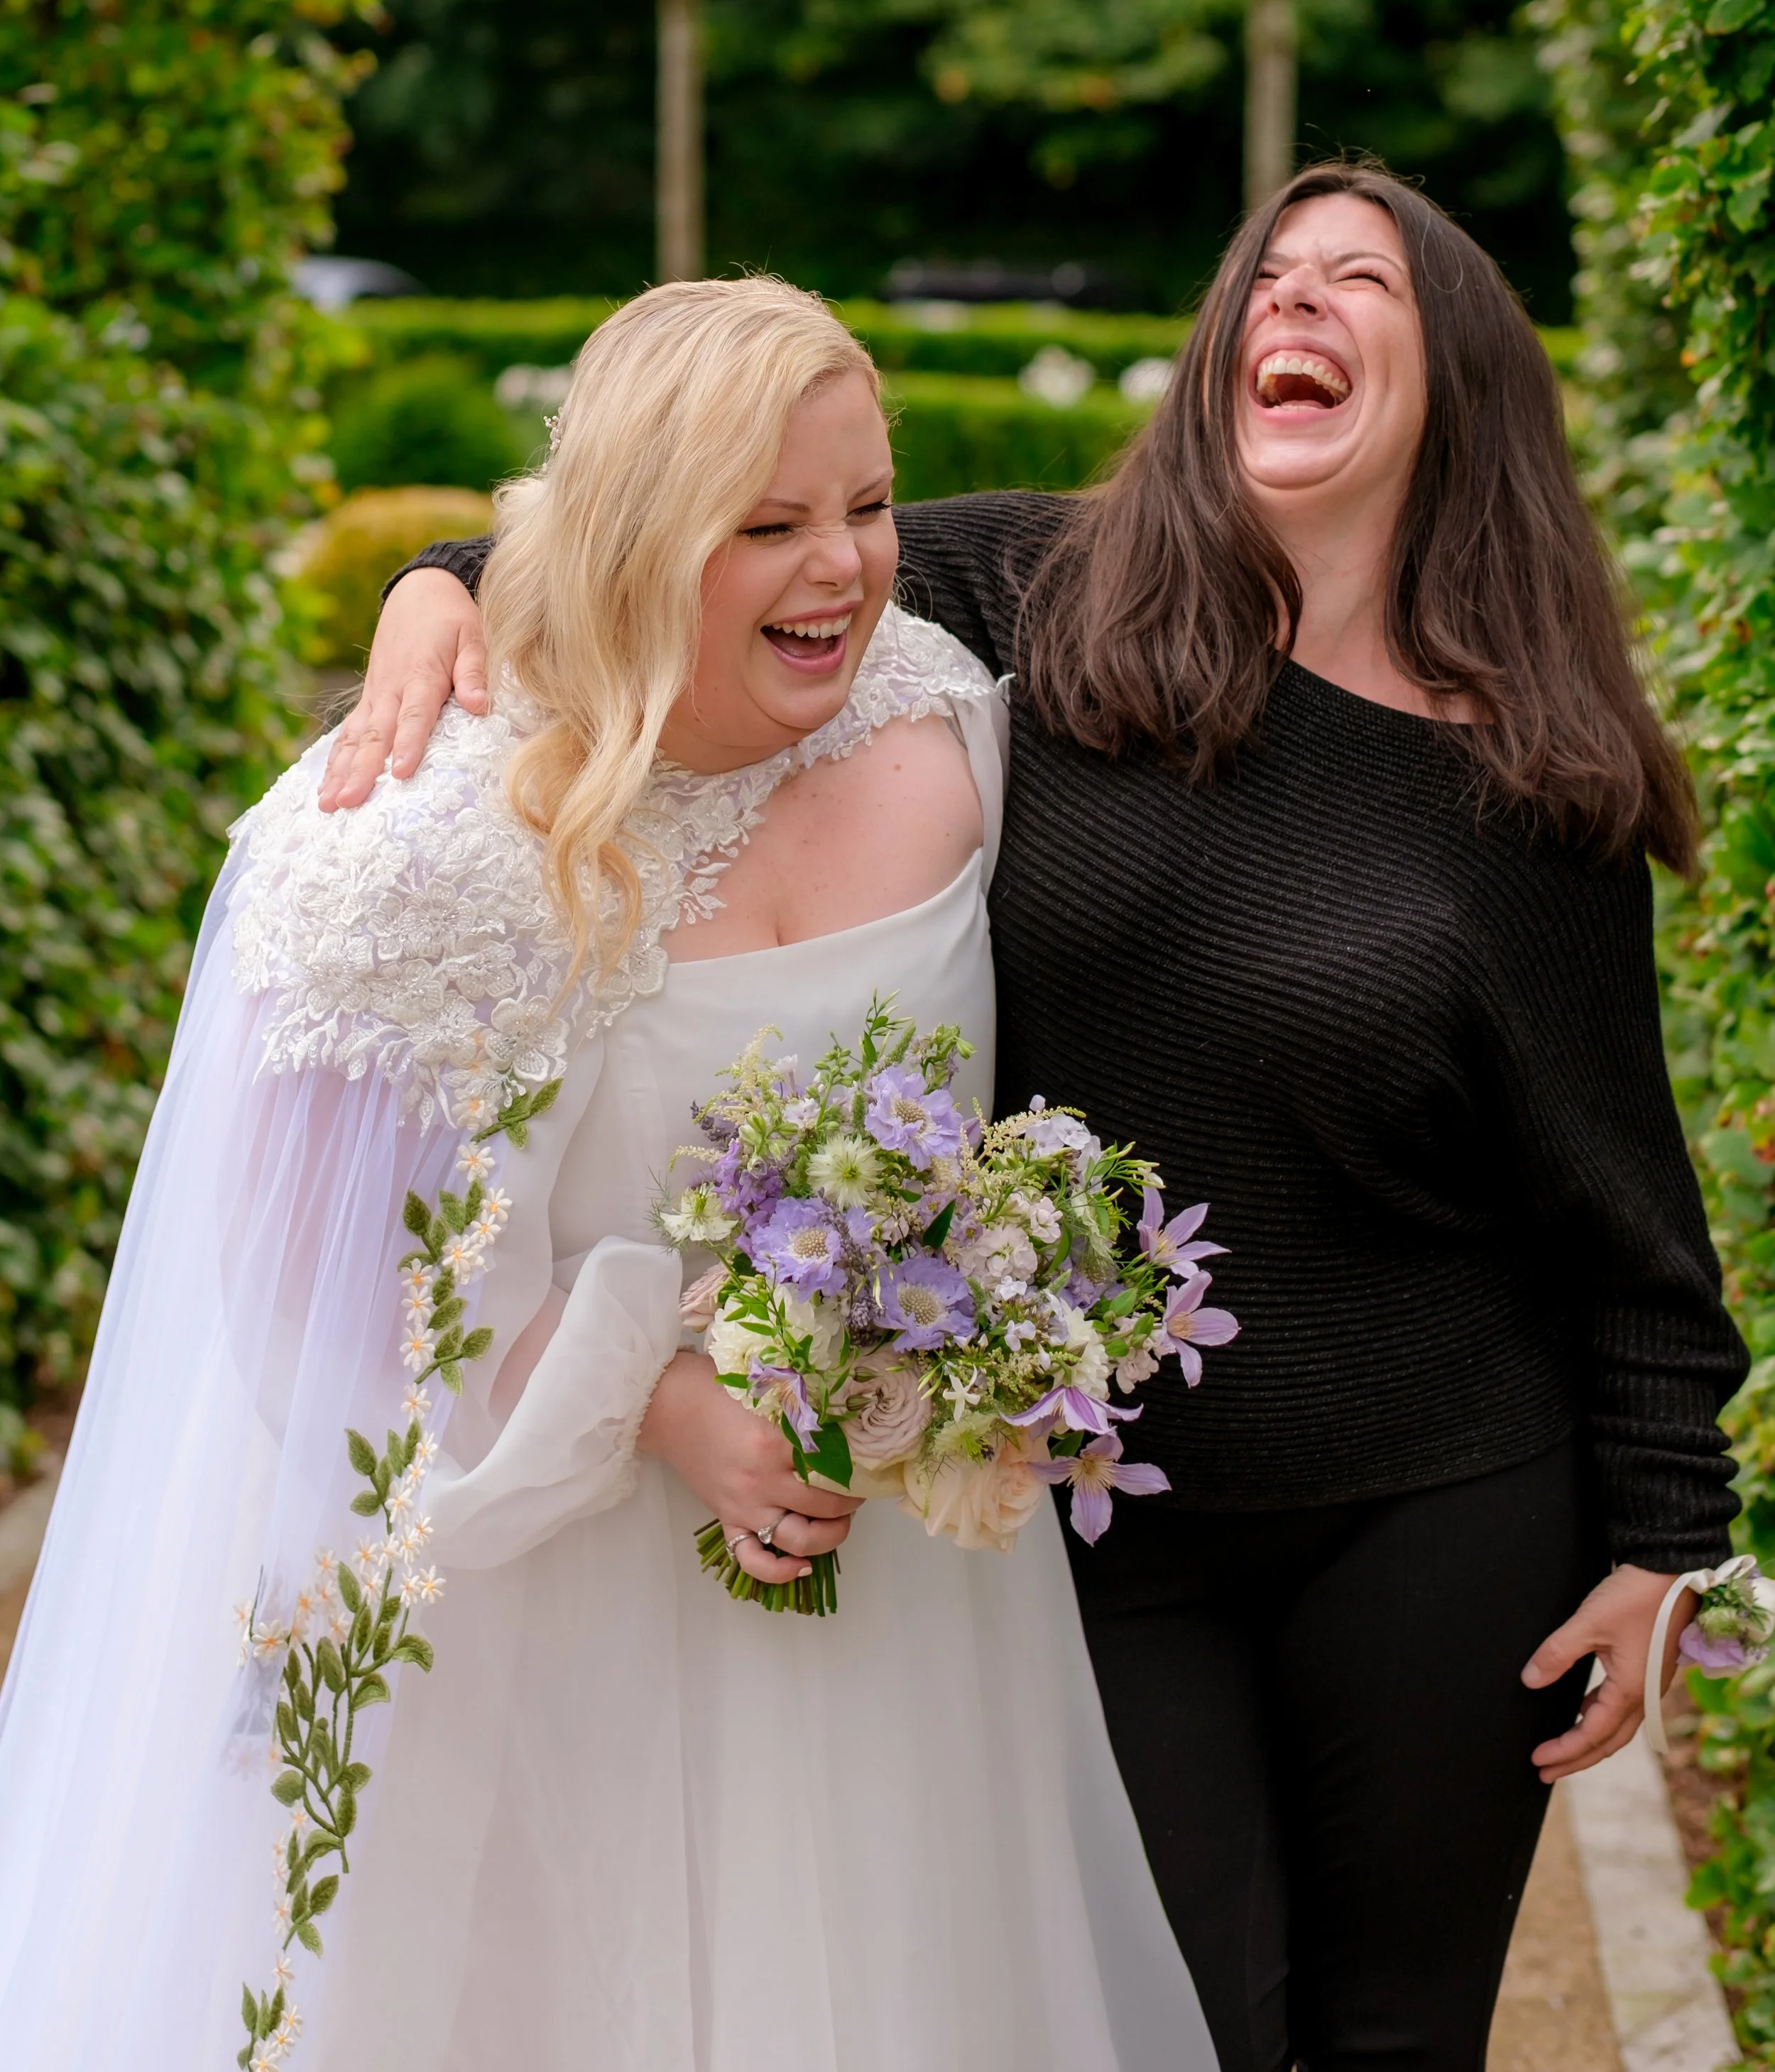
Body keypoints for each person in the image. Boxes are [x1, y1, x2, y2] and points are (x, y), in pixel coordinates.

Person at [352, 164, 1751, 2072]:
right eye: (1265, 274)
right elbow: (683, 539)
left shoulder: (1533, 773)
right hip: (1091, 1515)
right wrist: (435, 587)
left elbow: (1616, 1188)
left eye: (1359, 279)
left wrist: (1667, 1526)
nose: (1295, 301)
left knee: (1397, 2035)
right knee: (1164, 2023)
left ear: (1458, 379)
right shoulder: (1037, 588)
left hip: (1439, 1501)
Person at [0, 278, 1212, 2072]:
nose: (845, 569)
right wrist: (660, 1403)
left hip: (898, 1612)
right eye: (770, 525)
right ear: (640, 532)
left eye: (870, 507)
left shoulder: (943, 716)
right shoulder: (422, 839)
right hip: (545, 1625)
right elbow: (292, 1287)